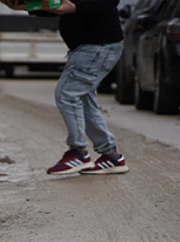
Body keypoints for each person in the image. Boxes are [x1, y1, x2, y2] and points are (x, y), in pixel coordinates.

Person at [30, 0, 127, 176]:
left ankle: (79, 152)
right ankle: (111, 156)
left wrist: (75, 8)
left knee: (66, 93)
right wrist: (32, 5)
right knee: (82, 99)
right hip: (90, 47)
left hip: (98, 46)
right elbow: (58, 5)